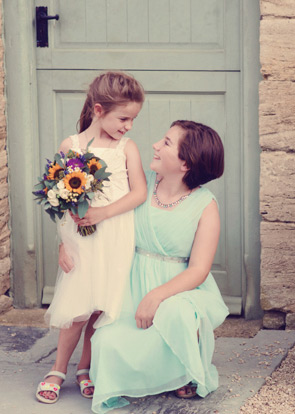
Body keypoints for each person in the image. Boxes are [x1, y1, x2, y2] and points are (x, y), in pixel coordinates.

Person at [88, 120, 229, 413]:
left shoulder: (205, 205)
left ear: (186, 163)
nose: (155, 145)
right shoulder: (140, 186)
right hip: (133, 284)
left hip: (179, 289)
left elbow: (199, 270)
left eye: (166, 142)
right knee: (106, 342)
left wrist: (156, 297)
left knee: (175, 314)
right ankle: (161, 371)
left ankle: (185, 369)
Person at [36, 72, 147, 404]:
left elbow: (139, 192)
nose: (128, 126)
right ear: (99, 110)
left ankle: (86, 367)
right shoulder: (71, 146)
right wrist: (62, 244)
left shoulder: (127, 148)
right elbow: (60, 199)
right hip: (82, 242)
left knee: (102, 306)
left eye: (133, 119)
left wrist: (103, 213)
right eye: (123, 118)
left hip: (116, 237)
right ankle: (57, 369)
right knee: (78, 306)